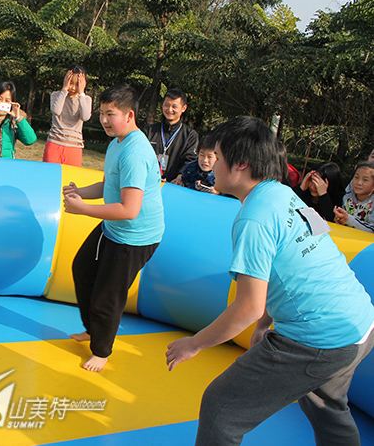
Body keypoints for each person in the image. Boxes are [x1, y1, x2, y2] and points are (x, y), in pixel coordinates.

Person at [165, 116, 374, 445]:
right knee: (327, 406)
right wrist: (265, 324)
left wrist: (193, 345)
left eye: (218, 157)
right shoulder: (285, 194)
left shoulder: (253, 219)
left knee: (221, 407)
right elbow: (306, 255)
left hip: (318, 337)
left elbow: (248, 306)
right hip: (359, 324)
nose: (212, 165)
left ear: (241, 164)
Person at [63, 83, 164, 372]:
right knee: (82, 269)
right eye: (102, 113)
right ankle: (93, 330)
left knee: (107, 295)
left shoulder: (134, 153)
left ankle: (101, 351)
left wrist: (83, 210)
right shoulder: (117, 143)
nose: (104, 120)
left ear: (129, 115)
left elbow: (129, 210)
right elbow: (109, 186)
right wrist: (80, 193)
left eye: (111, 114)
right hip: (114, 227)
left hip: (135, 237)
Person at [142, 88, 198, 184]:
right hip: (149, 183)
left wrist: (181, 176)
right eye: (166, 105)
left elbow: (190, 161)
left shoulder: (190, 136)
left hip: (175, 186)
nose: (169, 109)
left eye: (174, 106)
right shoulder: (149, 131)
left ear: (183, 108)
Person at [43, 64, 92, 166]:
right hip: (54, 143)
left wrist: (81, 93)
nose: (73, 87)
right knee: (49, 173)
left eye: (77, 84)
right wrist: (64, 89)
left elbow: (85, 116)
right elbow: (56, 111)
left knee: (72, 176)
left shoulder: (86, 99)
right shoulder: (56, 95)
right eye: (70, 83)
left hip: (74, 146)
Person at [334, 161, 374, 233]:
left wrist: (348, 219)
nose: (359, 183)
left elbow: (372, 230)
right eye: (356, 177)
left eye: (365, 180)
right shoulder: (348, 197)